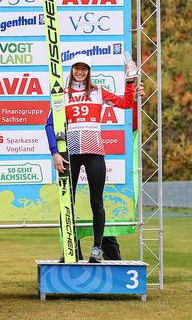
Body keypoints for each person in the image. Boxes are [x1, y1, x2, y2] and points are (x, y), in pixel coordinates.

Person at [45, 54, 143, 262]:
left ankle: (97, 249)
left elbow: (126, 103)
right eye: (77, 68)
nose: (80, 72)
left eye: (84, 69)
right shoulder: (62, 94)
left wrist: (130, 82)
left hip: (94, 151)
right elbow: (49, 124)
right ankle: (69, 247)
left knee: (96, 202)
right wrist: (55, 152)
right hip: (70, 153)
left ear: (89, 71)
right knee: (66, 201)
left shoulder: (98, 91)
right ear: (71, 70)